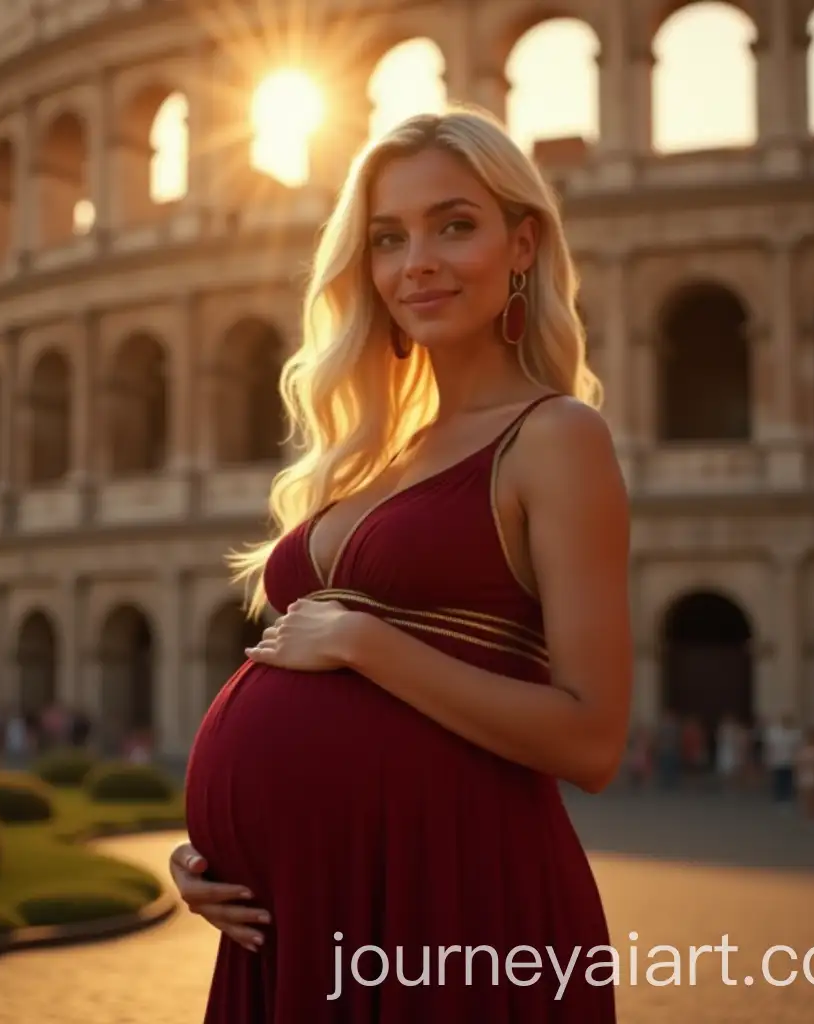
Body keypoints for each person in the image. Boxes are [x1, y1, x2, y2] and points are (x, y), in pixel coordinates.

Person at [170, 106, 632, 1022]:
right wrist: (211, 853)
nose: (415, 260)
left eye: (454, 225)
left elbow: (592, 740)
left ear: (523, 244)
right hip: (296, 918)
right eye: (388, 238)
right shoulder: (371, 453)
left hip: (448, 906)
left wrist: (368, 645)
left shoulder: (556, 437)